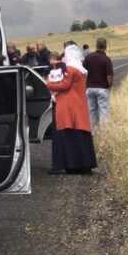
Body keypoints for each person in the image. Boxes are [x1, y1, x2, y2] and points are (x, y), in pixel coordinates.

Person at [46, 45, 97, 175]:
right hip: (79, 103)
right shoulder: (80, 69)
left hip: (67, 106)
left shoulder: (70, 69)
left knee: (67, 136)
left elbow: (64, 85)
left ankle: (70, 165)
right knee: (79, 135)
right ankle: (83, 165)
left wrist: (48, 84)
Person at [82, 37, 114, 130]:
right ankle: (104, 132)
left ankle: (93, 131)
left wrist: (85, 85)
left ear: (96, 46)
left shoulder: (88, 57)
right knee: (103, 111)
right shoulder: (106, 59)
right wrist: (109, 86)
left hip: (90, 88)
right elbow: (110, 76)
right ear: (105, 46)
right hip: (102, 88)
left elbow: (83, 72)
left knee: (91, 111)